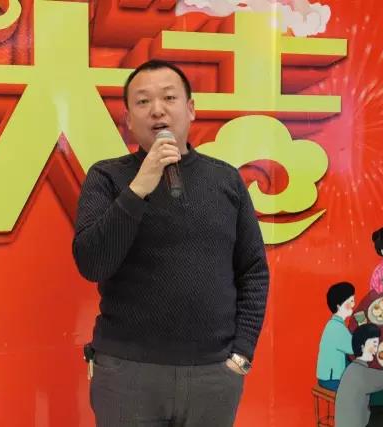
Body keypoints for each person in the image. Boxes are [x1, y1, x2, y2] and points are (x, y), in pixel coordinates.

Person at [72, 59, 269, 426]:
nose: (157, 110)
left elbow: (253, 271)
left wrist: (241, 354)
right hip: (127, 374)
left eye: (169, 97)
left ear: (190, 108)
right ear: (128, 119)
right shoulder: (107, 177)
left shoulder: (225, 180)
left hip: (213, 374)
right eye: (143, 101)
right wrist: (139, 188)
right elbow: (92, 262)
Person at [335, 323, 383, 427]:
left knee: (381, 409)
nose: (376, 350)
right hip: (359, 424)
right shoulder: (361, 373)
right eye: (374, 345)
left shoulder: (352, 368)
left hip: (351, 419)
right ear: (362, 346)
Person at [316, 282, 355, 391]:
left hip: (328, 375)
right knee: (361, 380)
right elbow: (353, 348)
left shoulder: (333, 323)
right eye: (350, 301)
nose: (353, 305)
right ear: (339, 306)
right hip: (332, 380)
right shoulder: (337, 328)